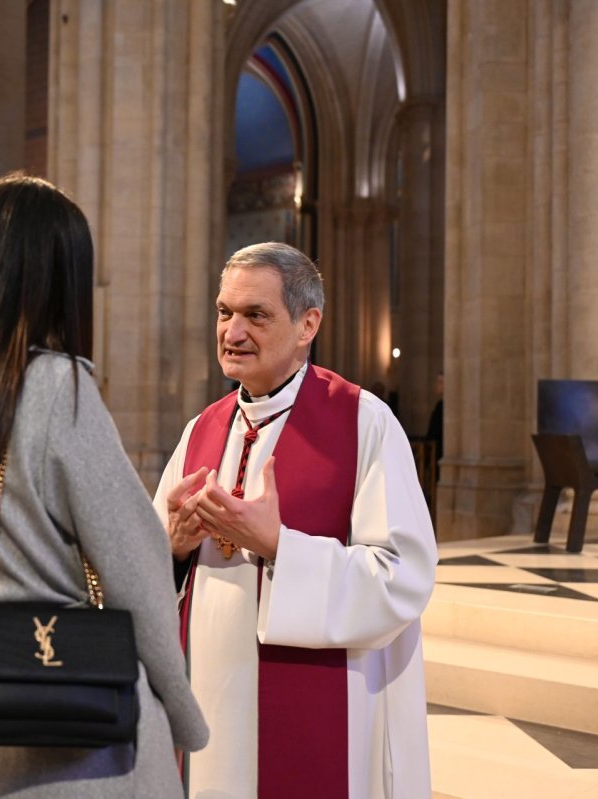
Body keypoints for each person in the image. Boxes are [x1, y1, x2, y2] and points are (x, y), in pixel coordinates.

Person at [0, 174, 208, 798]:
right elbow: (137, 569)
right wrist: (183, 712)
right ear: (57, 281)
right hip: (60, 720)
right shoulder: (53, 387)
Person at [155, 242, 438, 798]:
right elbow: (145, 569)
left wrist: (280, 546)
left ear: (308, 324)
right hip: (210, 705)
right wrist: (175, 549)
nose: (233, 333)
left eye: (255, 315)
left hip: (318, 708)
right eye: (224, 312)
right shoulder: (201, 432)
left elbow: (403, 577)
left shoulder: (362, 423)